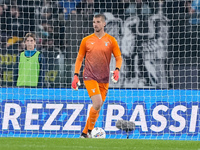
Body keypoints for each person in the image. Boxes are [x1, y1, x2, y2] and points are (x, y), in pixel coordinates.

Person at [71, 14, 122, 138]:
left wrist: (117, 70)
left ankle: (84, 134)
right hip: (89, 76)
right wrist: (76, 75)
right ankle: (89, 132)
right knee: (98, 103)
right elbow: (79, 59)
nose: (95, 24)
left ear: (104, 24)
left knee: (97, 107)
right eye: (94, 22)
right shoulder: (86, 40)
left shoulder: (111, 40)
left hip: (104, 78)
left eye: (98, 22)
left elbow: (118, 57)